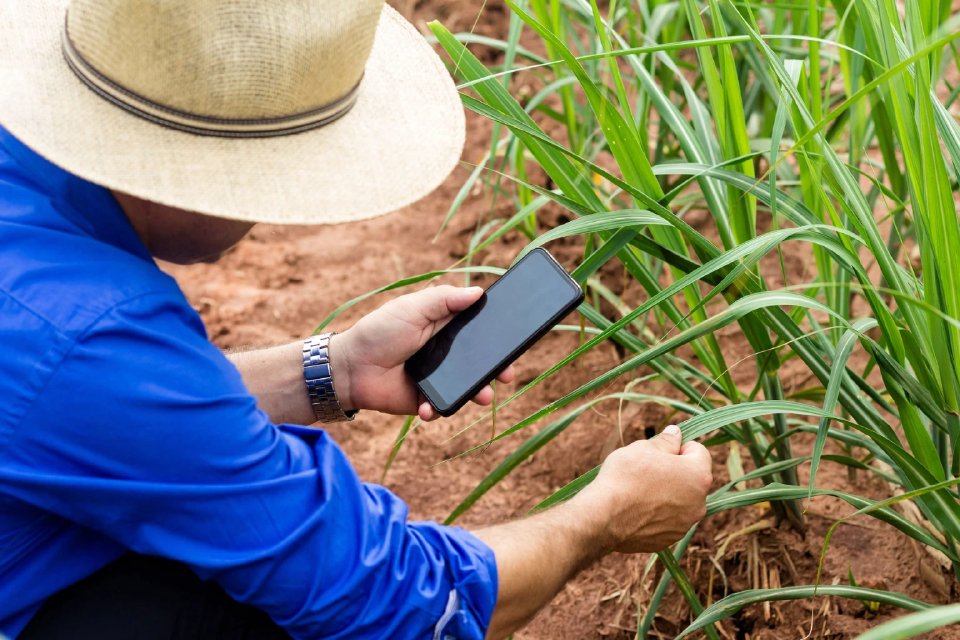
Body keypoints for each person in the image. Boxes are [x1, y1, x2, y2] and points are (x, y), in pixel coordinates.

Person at [0, 1, 713, 638]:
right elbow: (398, 601)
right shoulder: (96, 334)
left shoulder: (38, 237)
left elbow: (112, 416)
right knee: (260, 608)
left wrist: (331, 369)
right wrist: (602, 518)